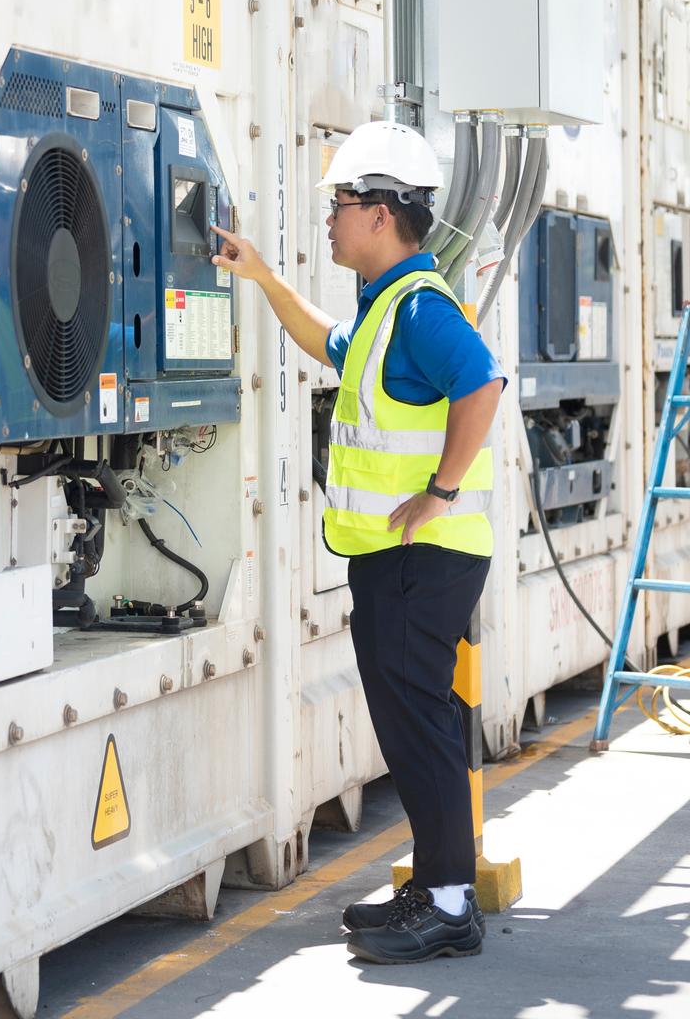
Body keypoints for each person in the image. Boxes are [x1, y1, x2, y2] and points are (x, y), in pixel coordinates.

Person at [212, 120, 505, 964]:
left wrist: (440, 489)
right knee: (413, 724)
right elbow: (324, 342)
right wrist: (263, 278)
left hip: (426, 553)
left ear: (382, 213)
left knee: (420, 725)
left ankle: (449, 903)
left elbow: (480, 382)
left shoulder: (419, 309)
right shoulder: (385, 312)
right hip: (397, 559)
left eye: (340, 205)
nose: (331, 221)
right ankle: (435, 885)